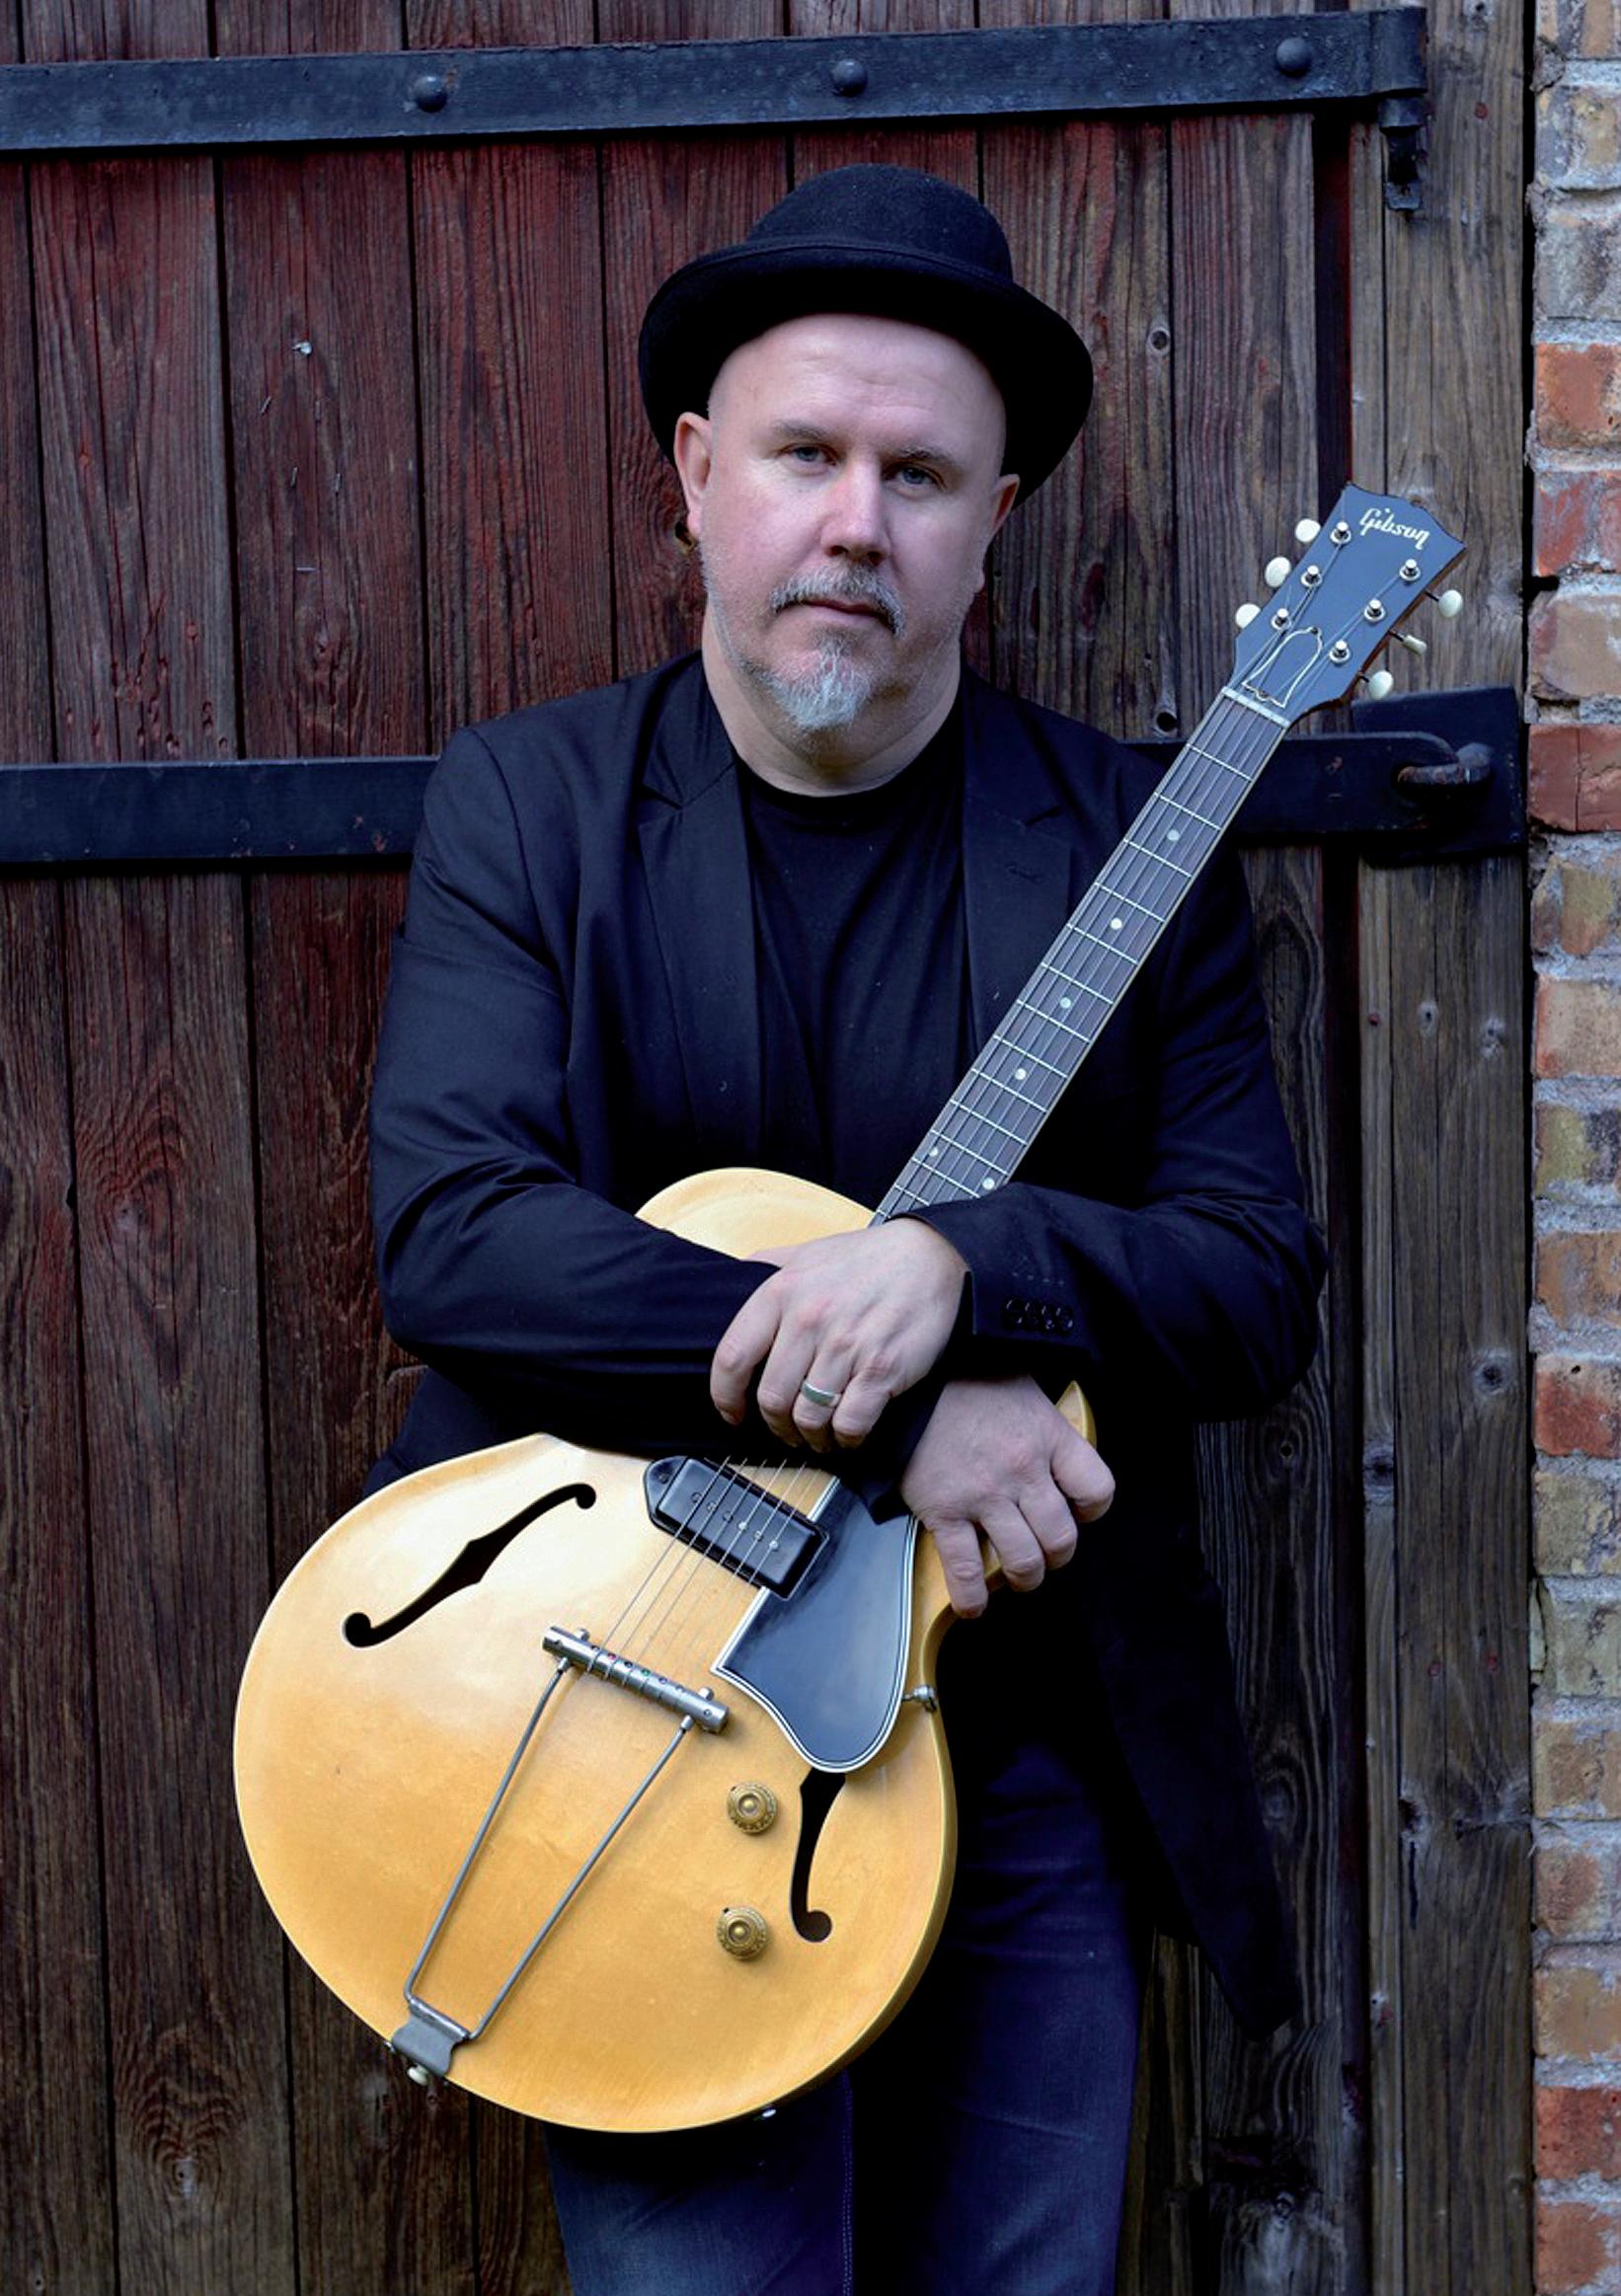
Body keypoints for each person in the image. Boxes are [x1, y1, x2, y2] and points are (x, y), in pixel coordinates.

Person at [366, 165, 1327, 2296]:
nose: (854, 522)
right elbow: (458, 1236)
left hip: (1016, 1740)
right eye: (803, 453)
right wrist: (904, 1408)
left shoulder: (1124, 841)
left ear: (994, 521)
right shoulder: (531, 807)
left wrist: (968, 1261)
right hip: (627, 1709)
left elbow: (1255, 1279)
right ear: (696, 475)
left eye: (919, 475)